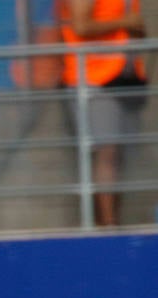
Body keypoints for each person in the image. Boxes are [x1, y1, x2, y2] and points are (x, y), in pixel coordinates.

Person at [58, 0, 148, 227]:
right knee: (107, 150)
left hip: (123, 75)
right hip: (94, 76)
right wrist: (126, 22)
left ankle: (110, 221)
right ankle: (107, 224)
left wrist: (135, 29)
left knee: (118, 155)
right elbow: (81, 26)